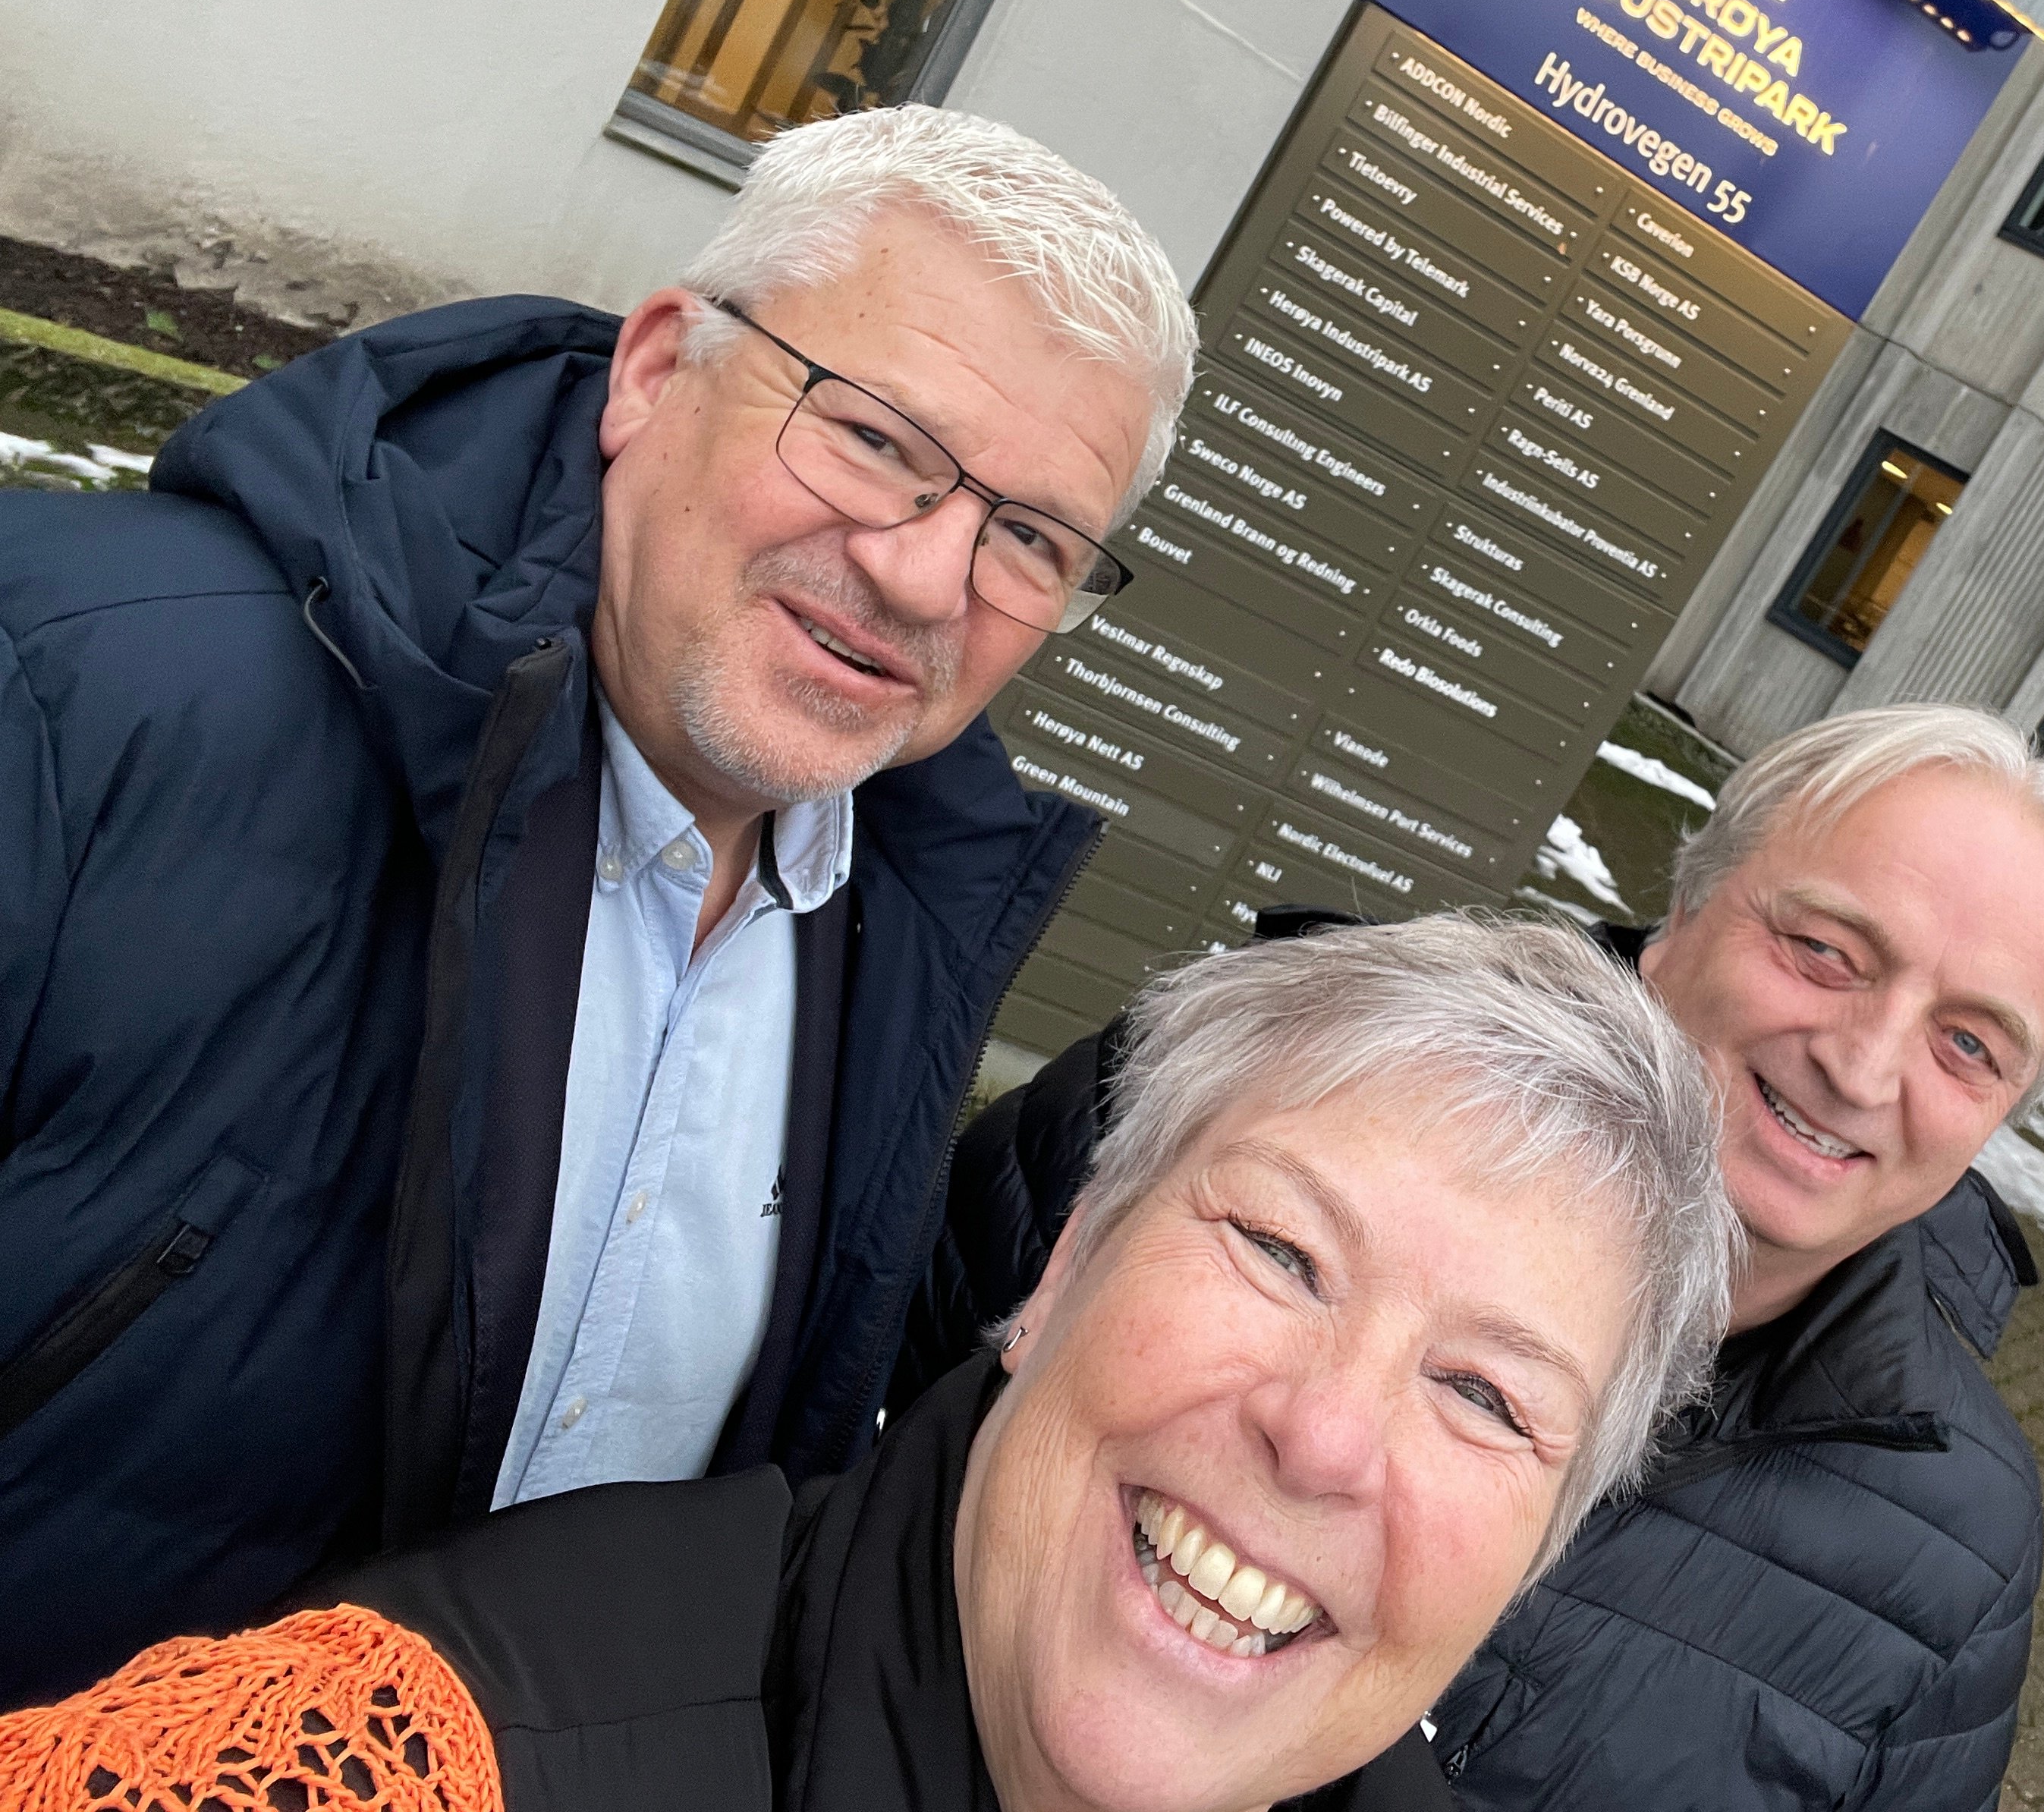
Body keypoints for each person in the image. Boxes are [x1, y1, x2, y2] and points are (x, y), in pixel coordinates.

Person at [0, 106, 1197, 1707]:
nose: (925, 578)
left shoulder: (902, 926)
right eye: (873, 439)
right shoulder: (80, 690)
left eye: (1029, 539)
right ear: (654, 371)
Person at [0, 915, 1738, 1812]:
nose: (1327, 1435)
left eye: (1488, 1398)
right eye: (1282, 1254)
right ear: (1057, 1273)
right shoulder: (416, 1761)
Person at [904, 703, 2044, 1810]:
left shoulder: (1955, 1545)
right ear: (1689, 909)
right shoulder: (1224, 1111)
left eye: (1969, 1045)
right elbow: (849, 1449)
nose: (1862, 1068)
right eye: (1824, 951)